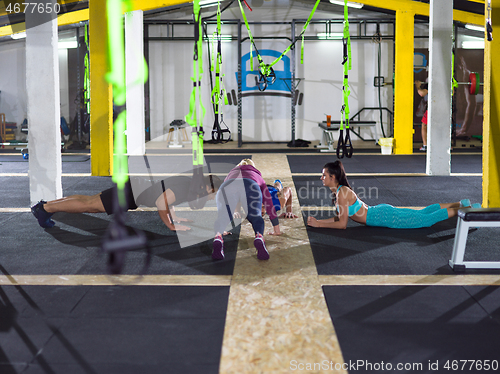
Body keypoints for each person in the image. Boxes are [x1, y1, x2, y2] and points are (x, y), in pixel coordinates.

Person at [306, 161, 478, 230]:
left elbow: (342, 224)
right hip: (380, 213)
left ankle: (468, 211)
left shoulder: (342, 193)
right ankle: (463, 203)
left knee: (424, 220)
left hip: (383, 216)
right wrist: (318, 222)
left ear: (333, 177)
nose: (321, 178)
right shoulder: (340, 192)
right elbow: (339, 219)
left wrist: (319, 225)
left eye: (323, 175)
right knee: (422, 213)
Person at [31, 174, 222, 232]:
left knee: (89, 201)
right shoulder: (187, 187)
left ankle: (45, 206)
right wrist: (170, 225)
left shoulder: (189, 183)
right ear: (207, 188)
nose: (213, 198)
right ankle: (45, 208)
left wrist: (174, 215)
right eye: (214, 194)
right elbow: (161, 201)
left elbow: (168, 195)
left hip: (133, 189)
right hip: (130, 194)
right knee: (89, 205)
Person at [212, 159, 282, 261]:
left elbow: (223, 203)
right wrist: (276, 229)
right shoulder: (257, 176)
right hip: (251, 185)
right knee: (255, 216)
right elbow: (268, 203)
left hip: (227, 185)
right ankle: (258, 236)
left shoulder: (231, 174)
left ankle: (218, 236)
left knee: (224, 216)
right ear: (254, 167)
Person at [415, 80, 428, 152]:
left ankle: (425, 145)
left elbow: (421, 93)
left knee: (424, 125)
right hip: (444, 108)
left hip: (433, 108)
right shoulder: (446, 82)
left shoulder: (432, 82)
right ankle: (446, 145)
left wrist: (418, 86)